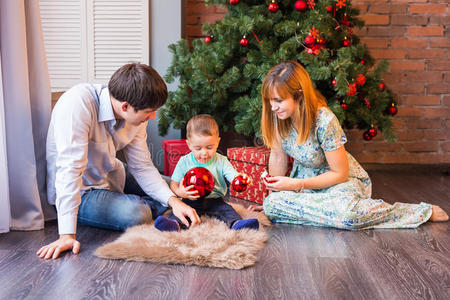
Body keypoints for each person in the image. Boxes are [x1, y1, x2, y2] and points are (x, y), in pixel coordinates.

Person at [249, 61, 448, 229]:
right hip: (306, 187)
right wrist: (271, 198)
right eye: (269, 101)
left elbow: (340, 174)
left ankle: (416, 212)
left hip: (339, 183)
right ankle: (327, 214)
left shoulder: (324, 120)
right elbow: (277, 156)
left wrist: (296, 185)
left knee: (348, 215)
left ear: (299, 96)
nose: (272, 107)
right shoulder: (277, 117)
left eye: (279, 100)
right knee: (273, 205)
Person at [37, 63, 201, 259]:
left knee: (178, 188)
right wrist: (66, 235)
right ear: (125, 106)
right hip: (81, 190)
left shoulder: (135, 114)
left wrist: (173, 200)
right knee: (137, 214)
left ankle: (161, 207)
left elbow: (142, 166)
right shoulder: (78, 104)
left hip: (111, 171)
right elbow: (69, 172)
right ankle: (150, 207)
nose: (153, 116)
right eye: (149, 111)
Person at [154, 114, 259, 232]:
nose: (204, 153)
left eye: (209, 147)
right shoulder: (184, 161)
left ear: (217, 142)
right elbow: (174, 184)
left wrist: (241, 178)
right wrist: (181, 192)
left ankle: (237, 223)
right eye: (198, 148)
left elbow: (233, 176)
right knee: (183, 212)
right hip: (190, 200)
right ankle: (173, 224)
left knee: (227, 210)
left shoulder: (222, 161)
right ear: (189, 144)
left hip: (215, 200)